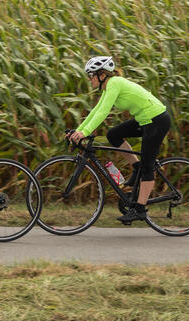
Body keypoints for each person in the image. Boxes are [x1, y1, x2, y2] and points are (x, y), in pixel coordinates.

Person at [67, 56, 171, 224]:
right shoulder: (108, 87)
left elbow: (103, 113)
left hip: (157, 120)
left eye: (91, 75)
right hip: (145, 119)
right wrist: (78, 131)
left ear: (102, 75)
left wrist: (85, 132)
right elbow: (96, 111)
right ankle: (136, 167)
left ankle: (140, 209)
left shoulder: (114, 83)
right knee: (113, 135)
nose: (89, 79)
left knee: (148, 166)